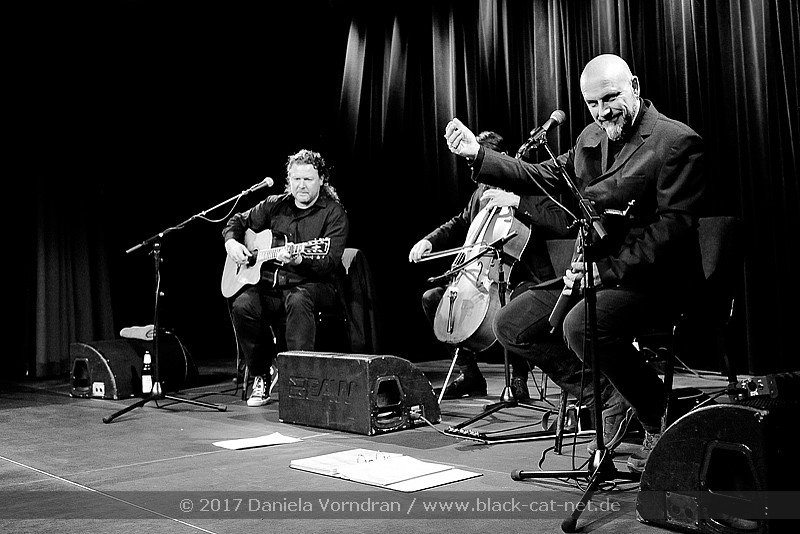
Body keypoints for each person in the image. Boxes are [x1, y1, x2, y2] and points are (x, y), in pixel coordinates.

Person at [444, 54, 706, 473]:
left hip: (656, 281)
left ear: (635, 87)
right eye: (593, 104)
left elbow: (671, 232)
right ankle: (613, 395)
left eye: (611, 98)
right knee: (511, 324)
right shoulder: (590, 137)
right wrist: (478, 154)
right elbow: (542, 176)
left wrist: (605, 271)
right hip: (599, 274)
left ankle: (659, 417)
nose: (603, 112)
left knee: (580, 325)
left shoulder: (675, 141)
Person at [409, 131, 573, 401]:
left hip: (524, 276)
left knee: (515, 304)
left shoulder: (528, 185)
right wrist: (429, 241)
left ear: (501, 158)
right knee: (433, 300)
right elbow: (460, 221)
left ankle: (518, 377)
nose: (478, 170)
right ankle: (470, 375)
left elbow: (563, 223)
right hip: (483, 277)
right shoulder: (481, 192)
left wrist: (517, 203)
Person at [223, 149, 349, 407]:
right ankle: (261, 373)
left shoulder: (334, 213)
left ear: (321, 179)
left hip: (315, 285)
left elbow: (329, 263)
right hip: (272, 285)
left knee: (298, 300)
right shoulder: (275, 204)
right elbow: (236, 221)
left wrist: (300, 259)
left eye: (308, 179)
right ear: (289, 180)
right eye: (296, 179)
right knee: (243, 305)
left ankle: (299, 382)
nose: (301, 185)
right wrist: (232, 243)